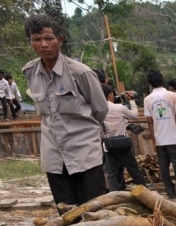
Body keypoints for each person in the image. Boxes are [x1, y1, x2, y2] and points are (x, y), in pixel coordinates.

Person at [21, 14, 108, 208]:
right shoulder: (29, 72)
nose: (43, 44)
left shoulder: (80, 72)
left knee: (94, 210)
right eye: (37, 39)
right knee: (66, 212)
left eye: (48, 38)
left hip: (84, 152)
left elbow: (100, 110)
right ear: (30, 42)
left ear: (59, 40)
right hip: (53, 153)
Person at [144, 69, 176, 199]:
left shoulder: (148, 99)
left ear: (149, 83)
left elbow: (149, 121)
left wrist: (154, 139)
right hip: (174, 137)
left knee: (164, 168)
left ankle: (170, 192)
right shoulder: (172, 96)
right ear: (162, 80)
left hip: (160, 139)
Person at [100, 85, 148, 191]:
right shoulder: (119, 108)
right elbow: (135, 116)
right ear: (110, 95)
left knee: (112, 173)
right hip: (123, 144)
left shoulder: (98, 110)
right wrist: (132, 101)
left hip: (108, 146)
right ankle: (145, 192)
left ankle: (114, 198)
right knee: (134, 169)